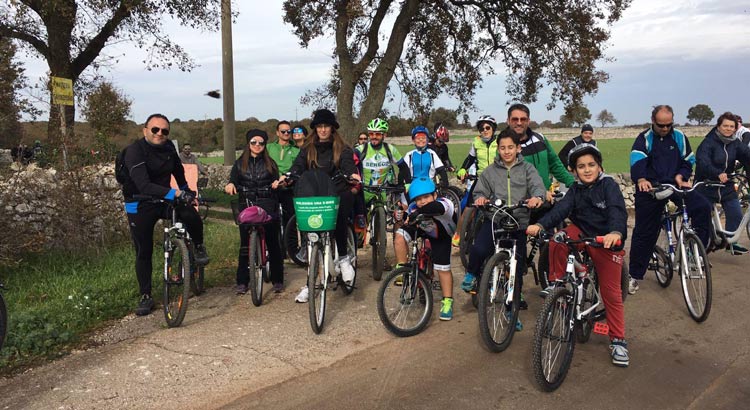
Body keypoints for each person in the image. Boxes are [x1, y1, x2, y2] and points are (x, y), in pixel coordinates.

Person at [527, 143, 630, 367]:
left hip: (605, 238)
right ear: (573, 171)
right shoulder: (575, 189)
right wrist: (541, 225)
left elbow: (617, 211)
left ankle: (618, 340)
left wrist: (614, 232)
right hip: (582, 230)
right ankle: (557, 284)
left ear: (599, 166)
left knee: (611, 293)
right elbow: (561, 211)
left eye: (591, 165)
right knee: (557, 241)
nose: (586, 170)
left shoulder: (608, 185)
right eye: (581, 166)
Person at [122, 113, 208, 316]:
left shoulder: (169, 148)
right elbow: (143, 184)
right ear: (145, 130)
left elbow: (178, 172)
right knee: (143, 250)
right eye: (155, 129)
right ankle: (145, 295)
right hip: (138, 202)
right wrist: (176, 193)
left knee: (190, 214)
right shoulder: (134, 152)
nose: (160, 133)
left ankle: (198, 247)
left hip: (163, 198)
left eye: (164, 131)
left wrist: (188, 192)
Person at [461, 129, 546, 330]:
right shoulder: (490, 171)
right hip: (496, 217)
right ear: (497, 149)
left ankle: (511, 309)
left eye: (510, 147)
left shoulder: (528, 169)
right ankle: (472, 274)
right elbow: (479, 191)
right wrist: (480, 198)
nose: (506, 152)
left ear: (518, 148)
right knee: (480, 248)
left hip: (519, 221)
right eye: (502, 148)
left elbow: (537, 188)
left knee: (516, 271)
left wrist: (537, 198)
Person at [278, 109, 361, 303]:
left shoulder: (343, 148)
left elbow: (348, 166)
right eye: (319, 126)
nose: (323, 130)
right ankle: (310, 284)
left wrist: (352, 174)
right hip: (315, 195)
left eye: (326, 126)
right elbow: (298, 167)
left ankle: (343, 258)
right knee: (310, 239)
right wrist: (289, 176)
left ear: (332, 128)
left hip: (337, 192)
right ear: (315, 129)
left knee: (340, 215)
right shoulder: (308, 148)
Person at [628, 104, 712, 294]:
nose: (665, 129)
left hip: (675, 184)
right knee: (645, 232)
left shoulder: (680, 137)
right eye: (661, 125)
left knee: (702, 207)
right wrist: (641, 179)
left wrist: (682, 175)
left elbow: (689, 159)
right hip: (651, 187)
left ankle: (695, 253)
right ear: (653, 122)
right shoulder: (644, 139)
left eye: (669, 125)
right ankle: (634, 275)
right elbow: (637, 161)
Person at [225, 129, 285, 293]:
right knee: (245, 245)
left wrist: (276, 184)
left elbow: (276, 180)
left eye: (261, 143)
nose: (257, 145)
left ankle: (278, 279)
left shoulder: (270, 163)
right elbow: (233, 180)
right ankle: (242, 282)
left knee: (273, 242)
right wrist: (230, 185)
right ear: (248, 143)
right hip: (247, 204)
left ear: (265, 145)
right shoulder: (239, 164)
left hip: (267, 203)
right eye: (253, 142)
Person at [393, 178, 457, 320]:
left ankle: (447, 301)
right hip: (423, 228)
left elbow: (434, 208)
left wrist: (416, 213)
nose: (422, 201)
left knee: (442, 269)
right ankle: (402, 271)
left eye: (426, 197)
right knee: (399, 237)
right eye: (418, 199)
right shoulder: (414, 207)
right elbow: (407, 218)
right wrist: (402, 216)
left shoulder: (445, 203)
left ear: (435, 195)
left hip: (442, 234)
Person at [695, 112, 750, 254]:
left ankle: (730, 242)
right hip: (706, 186)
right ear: (718, 126)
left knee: (736, 214)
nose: (728, 129)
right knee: (703, 219)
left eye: (732, 126)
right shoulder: (709, 142)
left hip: (726, 187)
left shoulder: (735, 143)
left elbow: (747, 156)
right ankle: (695, 247)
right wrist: (717, 173)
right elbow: (702, 162)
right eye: (725, 125)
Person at [453, 115, 500, 246]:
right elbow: (470, 159)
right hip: (481, 179)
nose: (484, 130)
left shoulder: (500, 141)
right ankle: (458, 235)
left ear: (493, 129)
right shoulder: (476, 142)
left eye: (487, 127)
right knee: (469, 208)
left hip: (497, 179)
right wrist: (463, 169)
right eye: (481, 128)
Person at [267, 120, 301, 247]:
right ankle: (275, 248)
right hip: (272, 186)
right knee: (271, 219)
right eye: (283, 131)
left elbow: (298, 168)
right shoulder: (269, 147)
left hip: (289, 186)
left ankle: (291, 248)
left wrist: (289, 179)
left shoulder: (296, 150)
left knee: (290, 219)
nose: (286, 133)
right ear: (277, 133)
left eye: (289, 131)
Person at [398, 125, 449, 198]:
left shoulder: (432, 154)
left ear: (428, 140)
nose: (421, 140)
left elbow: (441, 169)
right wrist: (401, 185)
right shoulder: (409, 155)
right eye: (418, 138)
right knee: (407, 207)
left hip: (428, 186)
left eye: (423, 138)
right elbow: (402, 171)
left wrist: (445, 184)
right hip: (413, 187)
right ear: (413, 140)